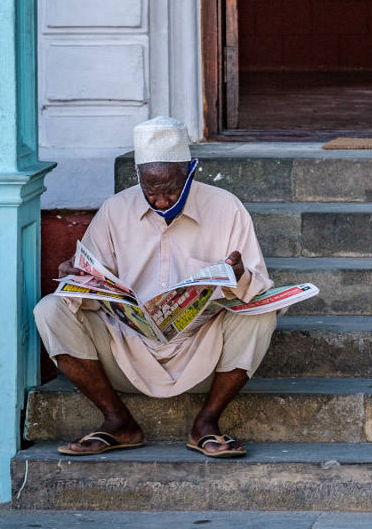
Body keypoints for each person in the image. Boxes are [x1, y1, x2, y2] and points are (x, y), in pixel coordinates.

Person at [34, 115, 276, 458]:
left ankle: (206, 423)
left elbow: (259, 290)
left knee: (261, 315)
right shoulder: (114, 211)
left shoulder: (226, 208)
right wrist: (76, 280)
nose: (161, 202)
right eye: (151, 192)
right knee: (50, 309)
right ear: (138, 178)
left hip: (202, 355)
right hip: (125, 352)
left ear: (191, 171)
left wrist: (240, 278)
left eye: (172, 191)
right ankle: (118, 421)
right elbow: (83, 298)